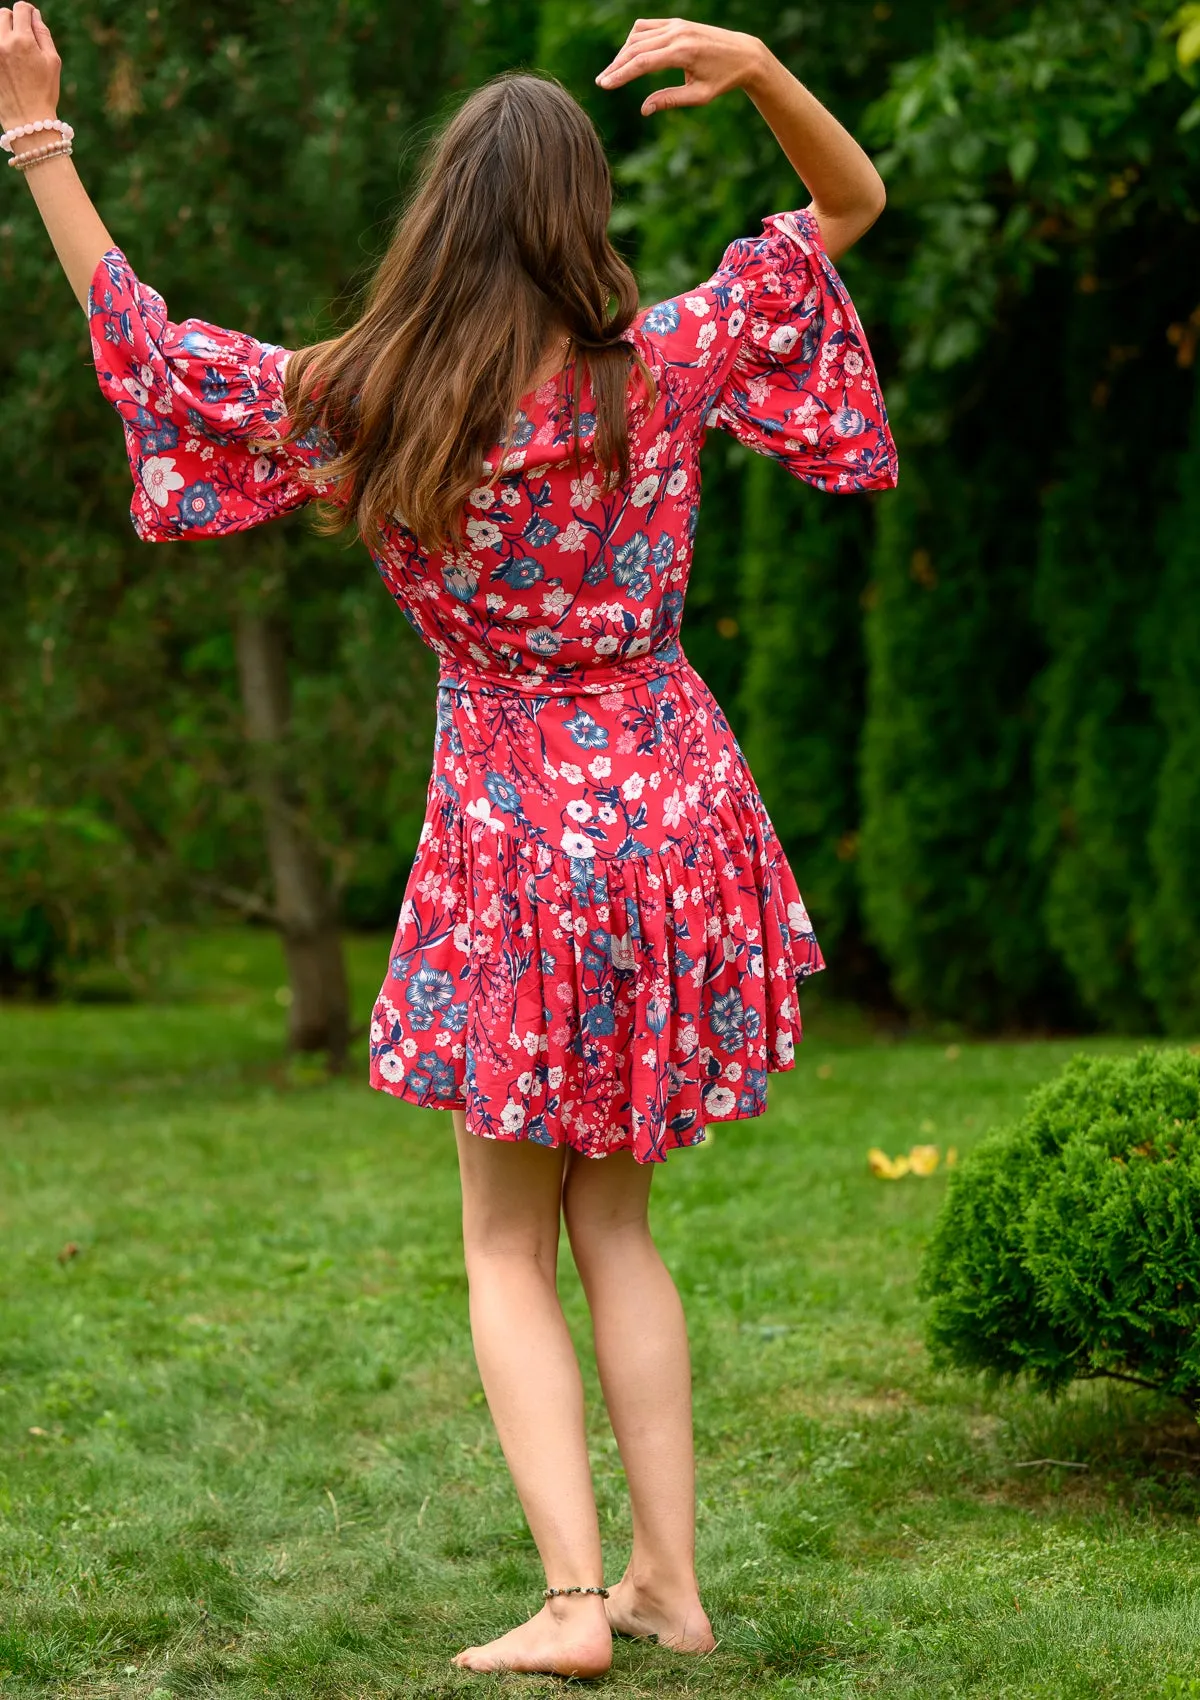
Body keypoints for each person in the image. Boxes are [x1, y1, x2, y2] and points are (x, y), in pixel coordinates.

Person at [1, 3, 896, 1676]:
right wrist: (764, 69)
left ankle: (575, 1607)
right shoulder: (669, 361)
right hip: (669, 809)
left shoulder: (374, 399)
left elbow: (147, 347)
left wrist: (38, 138)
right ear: (583, 223)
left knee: (504, 1237)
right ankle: (671, 1588)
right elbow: (846, 211)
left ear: (439, 221)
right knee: (615, 1223)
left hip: (510, 836)